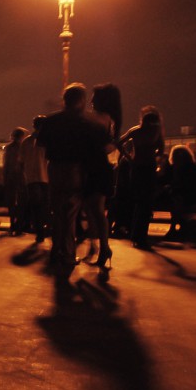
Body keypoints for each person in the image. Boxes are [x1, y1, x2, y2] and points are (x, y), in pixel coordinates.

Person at [36, 83, 108, 285]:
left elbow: (40, 143)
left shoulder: (51, 121)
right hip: (75, 169)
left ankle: (55, 249)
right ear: (81, 101)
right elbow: (104, 145)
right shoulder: (86, 123)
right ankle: (66, 253)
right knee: (69, 213)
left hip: (54, 168)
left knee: (57, 211)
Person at [81, 83, 122, 279]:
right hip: (98, 168)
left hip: (96, 168)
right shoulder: (108, 119)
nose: (91, 101)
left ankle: (102, 247)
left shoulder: (100, 118)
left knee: (95, 209)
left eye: (94, 97)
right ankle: (97, 246)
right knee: (92, 210)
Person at [118, 106, 165, 249]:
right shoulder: (157, 133)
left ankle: (134, 235)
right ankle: (141, 237)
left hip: (136, 167)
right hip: (149, 168)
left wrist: (128, 157)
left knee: (137, 202)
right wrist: (153, 156)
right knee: (146, 203)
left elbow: (119, 142)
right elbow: (161, 151)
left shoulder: (135, 131)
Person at [160, 144, 196, 241]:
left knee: (176, 202)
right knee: (175, 201)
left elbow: (190, 186)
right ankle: (180, 228)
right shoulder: (173, 168)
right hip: (178, 195)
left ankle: (174, 229)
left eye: (180, 155)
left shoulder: (190, 168)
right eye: (177, 155)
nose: (178, 157)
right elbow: (165, 181)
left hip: (188, 196)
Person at [19, 115, 50, 245]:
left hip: (31, 179)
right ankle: (44, 228)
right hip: (46, 178)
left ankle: (39, 230)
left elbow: (21, 162)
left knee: (37, 206)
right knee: (45, 205)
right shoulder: (48, 141)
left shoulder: (26, 142)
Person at [2, 128, 27, 235]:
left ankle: (13, 222)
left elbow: (6, 165)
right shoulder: (24, 147)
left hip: (10, 177)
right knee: (21, 202)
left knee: (11, 202)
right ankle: (20, 223)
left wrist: (5, 177)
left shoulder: (8, 148)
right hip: (21, 178)